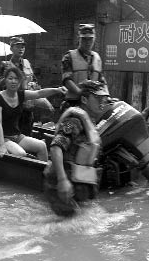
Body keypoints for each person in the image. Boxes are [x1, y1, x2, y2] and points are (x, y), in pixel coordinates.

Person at [43, 80, 109, 216]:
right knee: (68, 226)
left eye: (103, 99)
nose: (102, 102)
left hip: (79, 182)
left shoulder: (89, 121)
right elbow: (56, 147)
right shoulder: (74, 120)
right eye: (97, 98)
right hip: (63, 183)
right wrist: (62, 180)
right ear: (84, 99)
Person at [0, 67, 66, 161]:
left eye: (16, 78)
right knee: (20, 153)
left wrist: (57, 90)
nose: (13, 81)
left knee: (42, 146)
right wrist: (1, 145)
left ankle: (41, 174)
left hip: (16, 136)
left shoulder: (21, 95)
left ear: (20, 81)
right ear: (5, 80)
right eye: (10, 78)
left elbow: (39, 93)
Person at [61, 23, 108, 110]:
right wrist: (80, 93)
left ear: (94, 39)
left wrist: (106, 97)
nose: (87, 42)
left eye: (90, 39)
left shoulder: (97, 58)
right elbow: (67, 80)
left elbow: (101, 80)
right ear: (79, 39)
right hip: (73, 102)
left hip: (92, 104)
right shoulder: (69, 56)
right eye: (84, 39)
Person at [0, 36, 39, 136]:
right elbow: (1, 84)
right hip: (13, 106)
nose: (21, 49)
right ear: (11, 48)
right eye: (18, 46)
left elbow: (35, 81)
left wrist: (33, 84)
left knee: (27, 133)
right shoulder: (5, 64)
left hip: (27, 106)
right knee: (13, 134)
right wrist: (7, 74)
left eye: (23, 47)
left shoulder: (27, 63)